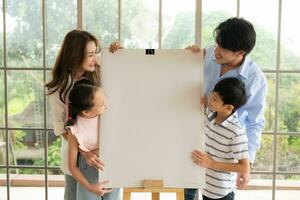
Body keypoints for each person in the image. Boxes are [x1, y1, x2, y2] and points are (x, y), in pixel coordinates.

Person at [186, 17, 267, 199]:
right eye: (216, 44)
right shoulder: (210, 54)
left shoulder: (255, 80)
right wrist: (188, 56)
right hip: (193, 139)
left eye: (222, 49)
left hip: (223, 153)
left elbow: (255, 124)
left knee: (218, 194)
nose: (216, 50)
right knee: (188, 190)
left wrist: (246, 165)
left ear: (240, 53)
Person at [46, 30, 120, 200]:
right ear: (74, 56)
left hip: (104, 156)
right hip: (77, 157)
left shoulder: (99, 69)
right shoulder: (58, 89)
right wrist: (84, 151)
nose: (95, 58)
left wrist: (118, 53)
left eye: (96, 53)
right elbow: (61, 127)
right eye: (90, 55)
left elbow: (124, 74)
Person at [192, 77, 250, 200]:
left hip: (221, 193)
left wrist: (212, 163)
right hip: (207, 188)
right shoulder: (211, 115)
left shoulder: (236, 132)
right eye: (212, 96)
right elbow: (203, 110)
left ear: (229, 107)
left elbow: (244, 167)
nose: (210, 100)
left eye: (214, 99)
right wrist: (204, 104)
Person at [66, 79, 117, 199]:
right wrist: (90, 187)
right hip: (88, 174)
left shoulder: (107, 116)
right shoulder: (74, 129)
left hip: (111, 169)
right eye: (102, 104)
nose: (107, 105)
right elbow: (72, 166)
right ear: (86, 112)